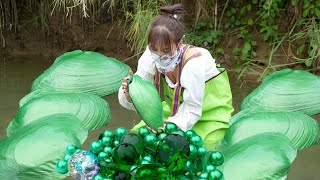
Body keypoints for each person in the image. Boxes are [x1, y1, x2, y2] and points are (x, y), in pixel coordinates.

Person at [118, 4, 234, 150]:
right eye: (155, 49)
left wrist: (169, 129)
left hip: (209, 112)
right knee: (137, 136)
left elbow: (193, 109)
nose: (160, 56)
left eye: (166, 51)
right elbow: (144, 99)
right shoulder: (150, 56)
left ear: (180, 43)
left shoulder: (193, 64)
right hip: (176, 109)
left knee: (200, 150)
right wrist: (130, 93)